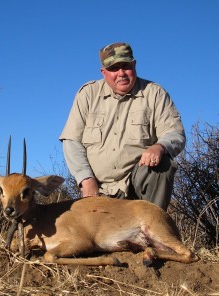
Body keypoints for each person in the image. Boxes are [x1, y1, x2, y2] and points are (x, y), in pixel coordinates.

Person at [59, 42, 186, 211]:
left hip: (137, 185)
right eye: (113, 68)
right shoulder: (87, 94)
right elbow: (71, 140)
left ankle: (151, 227)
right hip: (98, 189)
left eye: (125, 66)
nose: (121, 73)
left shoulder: (155, 93)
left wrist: (160, 146)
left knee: (163, 163)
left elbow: (175, 133)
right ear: (104, 73)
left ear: (134, 65)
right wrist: (86, 180)